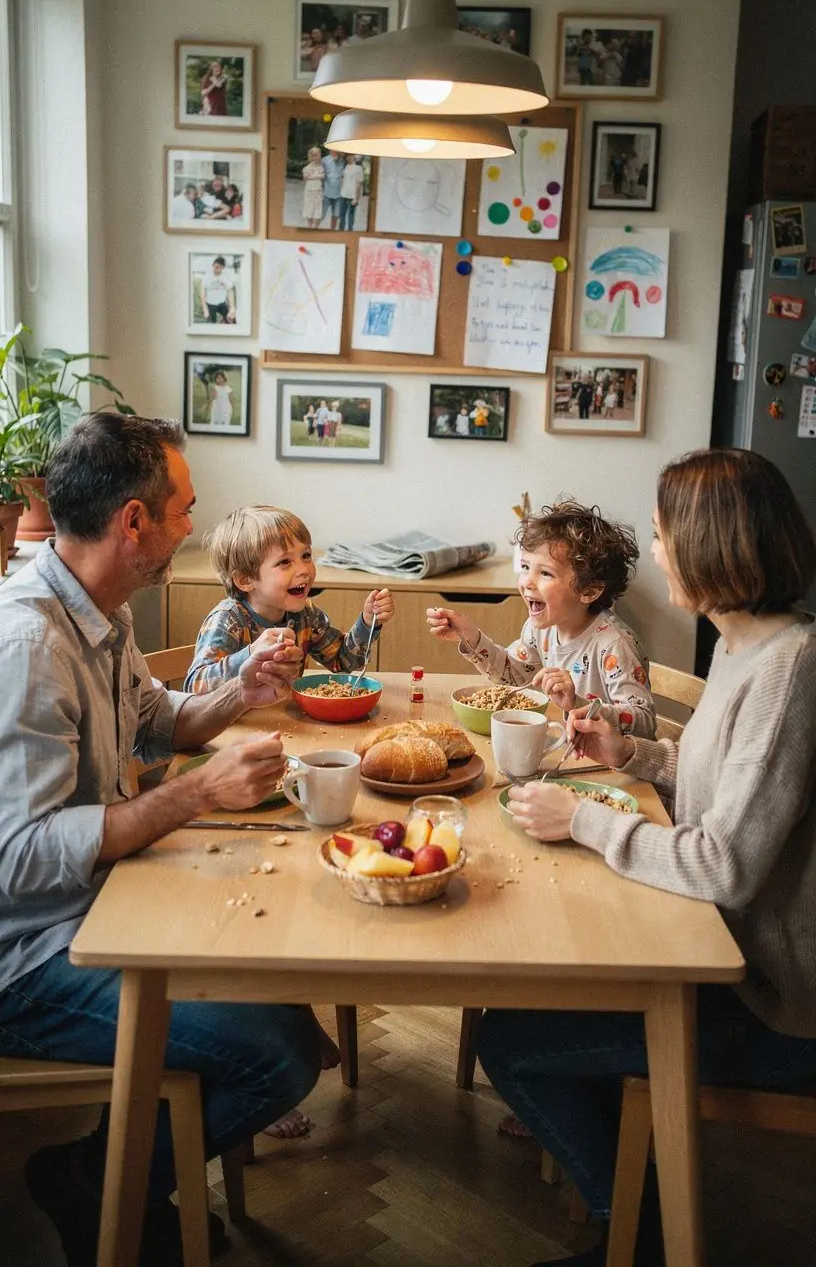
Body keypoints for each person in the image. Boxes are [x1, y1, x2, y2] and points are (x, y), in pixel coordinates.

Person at [478, 448, 816, 1267]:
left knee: (512, 1043)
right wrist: (631, 752)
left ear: (710, 544)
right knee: (554, 977)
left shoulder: (790, 669)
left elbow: (723, 865)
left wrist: (585, 820)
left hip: (772, 1000)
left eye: (665, 535)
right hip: (714, 946)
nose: (657, 551)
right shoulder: (743, 647)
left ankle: (645, 1233)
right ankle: (629, 1188)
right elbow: (711, 781)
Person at [0, 414, 318, 1266]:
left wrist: (240, 693)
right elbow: (17, 858)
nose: (191, 528)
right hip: (27, 960)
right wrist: (193, 798)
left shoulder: (98, 607)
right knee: (279, 1057)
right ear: (133, 522)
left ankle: (118, 1173)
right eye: (182, 510)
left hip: (103, 908)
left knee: (288, 1004)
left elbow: (158, 723)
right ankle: (98, 1182)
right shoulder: (30, 641)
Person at [427, 499, 655, 735]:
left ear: (588, 591)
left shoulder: (615, 646)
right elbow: (513, 675)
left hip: (611, 767)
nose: (526, 582)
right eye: (525, 567)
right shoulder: (541, 629)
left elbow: (644, 723)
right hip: (566, 747)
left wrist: (577, 704)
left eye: (545, 573)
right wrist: (470, 638)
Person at [185, 505, 395, 695]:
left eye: (306, 556)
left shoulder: (306, 615)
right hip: (237, 729)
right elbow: (195, 685)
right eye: (285, 562)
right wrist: (251, 653)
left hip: (285, 723)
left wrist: (368, 623)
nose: (304, 570)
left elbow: (343, 661)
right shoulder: (228, 620)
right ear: (245, 580)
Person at [199, 255, 236, 325]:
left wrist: (232, 306)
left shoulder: (224, 276)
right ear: (213, 265)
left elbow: (229, 291)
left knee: (231, 320)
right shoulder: (207, 276)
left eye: (220, 268)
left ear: (223, 268)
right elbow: (202, 291)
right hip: (210, 304)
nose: (218, 270)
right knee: (211, 324)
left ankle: (223, 323)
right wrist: (204, 308)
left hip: (221, 304)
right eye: (216, 267)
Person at [338, 154, 364, 230]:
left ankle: (350, 232)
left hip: (352, 196)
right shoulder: (345, 167)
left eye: (351, 155)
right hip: (343, 195)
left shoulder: (359, 168)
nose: (349, 157)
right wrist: (340, 191)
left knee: (351, 215)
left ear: (354, 157)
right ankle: (340, 232)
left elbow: (359, 184)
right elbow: (343, 180)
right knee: (341, 216)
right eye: (347, 156)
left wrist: (356, 198)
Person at [301, 146, 324, 230]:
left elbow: (322, 176)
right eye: (316, 155)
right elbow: (305, 177)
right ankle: (310, 227)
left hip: (318, 190)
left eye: (319, 155)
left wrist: (313, 176)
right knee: (309, 209)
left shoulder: (321, 167)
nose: (318, 157)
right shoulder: (307, 168)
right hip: (309, 190)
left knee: (318, 209)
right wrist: (317, 176)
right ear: (312, 156)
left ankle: (315, 227)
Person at [321, 149, 345, 229]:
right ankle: (313, 230)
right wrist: (321, 190)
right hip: (326, 193)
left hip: (338, 194)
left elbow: (343, 177)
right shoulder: (324, 160)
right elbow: (321, 177)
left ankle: (332, 230)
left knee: (335, 215)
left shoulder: (342, 161)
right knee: (321, 214)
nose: (335, 151)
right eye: (333, 149)